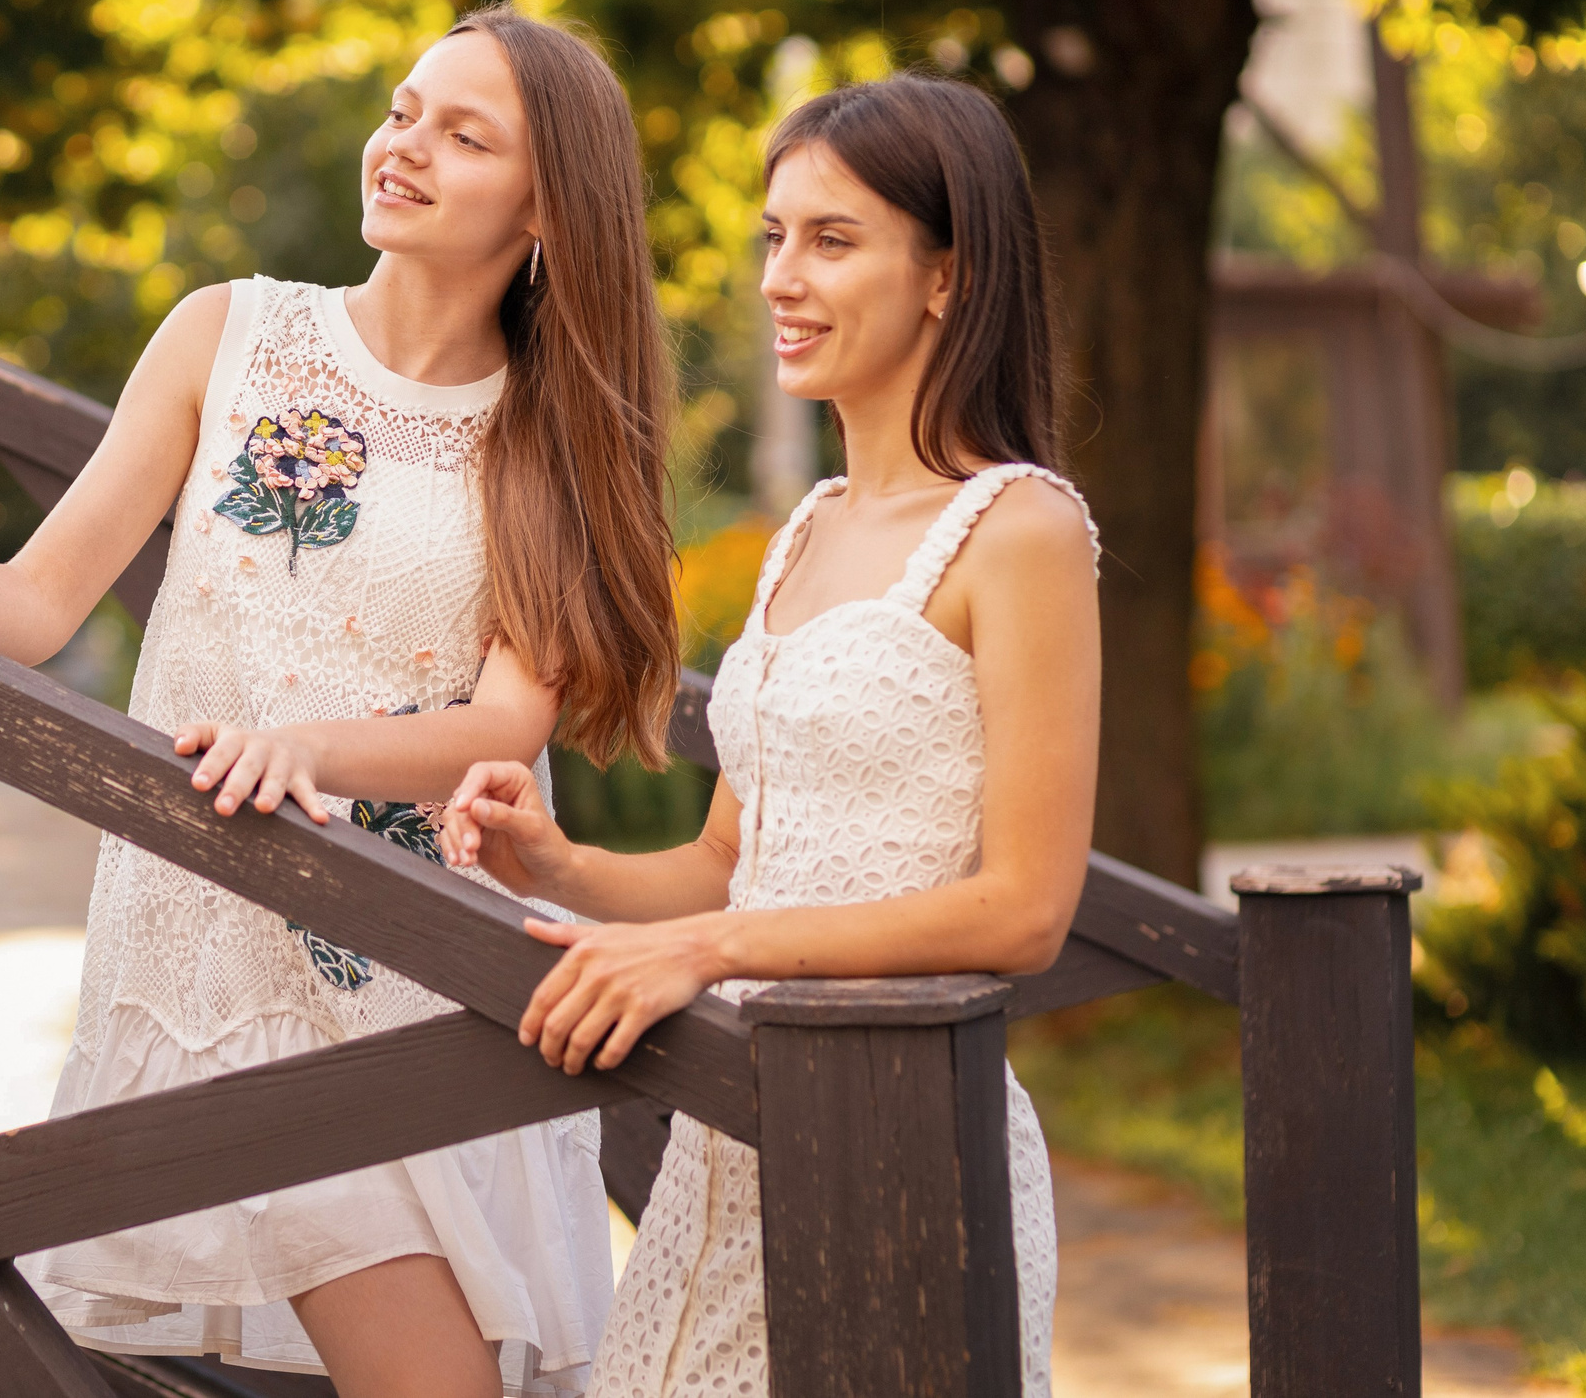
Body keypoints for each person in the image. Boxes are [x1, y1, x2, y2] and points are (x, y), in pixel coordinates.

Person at [0, 2, 681, 1398]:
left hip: (419, 957)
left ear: (549, 211)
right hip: (211, 935)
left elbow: (502, 725)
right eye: (405, 109)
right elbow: (40, 603)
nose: (404, 148)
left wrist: (305, 748)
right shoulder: (229, 334)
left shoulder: (545, 428)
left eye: (465, 137)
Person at [442, 74, 1098, 1397]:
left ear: (948, 279)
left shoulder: (1021, 529)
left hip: (907, 1129)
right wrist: (553, 862)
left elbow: (1025, 910)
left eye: (833, 241)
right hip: (737, 1132)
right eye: (773, 238)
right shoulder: (804, 536)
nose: (782, 280)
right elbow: (723, 866)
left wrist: (707, 949)